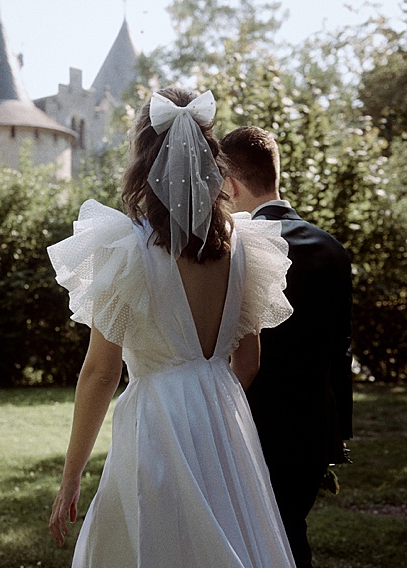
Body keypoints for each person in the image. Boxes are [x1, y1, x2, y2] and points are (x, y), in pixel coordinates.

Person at [46, 89, 298, 567]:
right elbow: (249, 360)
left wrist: (72, 477)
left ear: (144, 160)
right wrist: (207, 394)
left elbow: (101, 373)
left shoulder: (126, 248)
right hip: (225, 419)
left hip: (156, 420)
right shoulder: (245, 246)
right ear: (210, 159)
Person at [220, 126, 354, 568]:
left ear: (231, 184)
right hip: (310, 432)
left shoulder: (234, 250)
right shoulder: (332, 249)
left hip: (247, 426)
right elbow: (341, 352)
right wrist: (339, 436)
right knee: (291, 535)